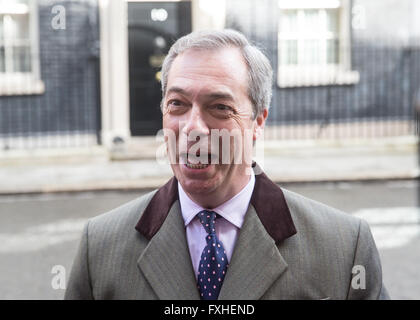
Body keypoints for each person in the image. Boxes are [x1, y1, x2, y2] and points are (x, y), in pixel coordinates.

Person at [65, 29, 389, 300]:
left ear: (258, 121)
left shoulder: (344, 247)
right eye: (177, 104)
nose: (193, 128)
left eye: (219, 107)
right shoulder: (101, 247)